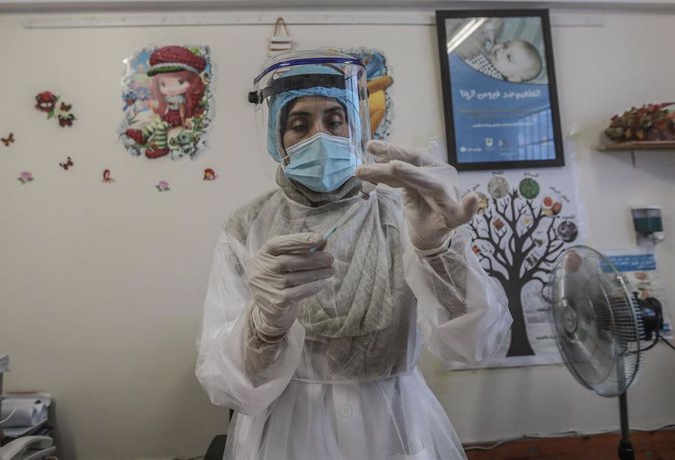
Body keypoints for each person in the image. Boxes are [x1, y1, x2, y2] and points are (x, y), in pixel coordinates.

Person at [195, 49, 512, 460]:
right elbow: (223, 383)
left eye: (335, 120)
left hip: (394, 422)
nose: (320, 135)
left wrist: (438, 251)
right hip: (288, 431)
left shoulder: (404, 214)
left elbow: (475, 343)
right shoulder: (247, 227)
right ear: (278, 139)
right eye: (299, 123)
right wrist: (265, 326)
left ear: (355, 129)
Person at [124, 45, 206, 158]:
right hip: (169, 116)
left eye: (180, 82)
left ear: (192, 82)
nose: (171, 89)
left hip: (178, 119)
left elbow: (183, 109)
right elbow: (165, 107)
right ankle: (142, 136)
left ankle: (161, 148)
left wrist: (183, 121)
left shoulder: (182, 99)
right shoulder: (168, 98)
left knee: (161, 126)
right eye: (163, 84)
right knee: (155, 123)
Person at [451, 18, 542, 83]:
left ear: (513, 78)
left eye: (509, 57)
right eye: (506, 45)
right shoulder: (487, 47)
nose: (501, 50)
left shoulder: (494, 80)